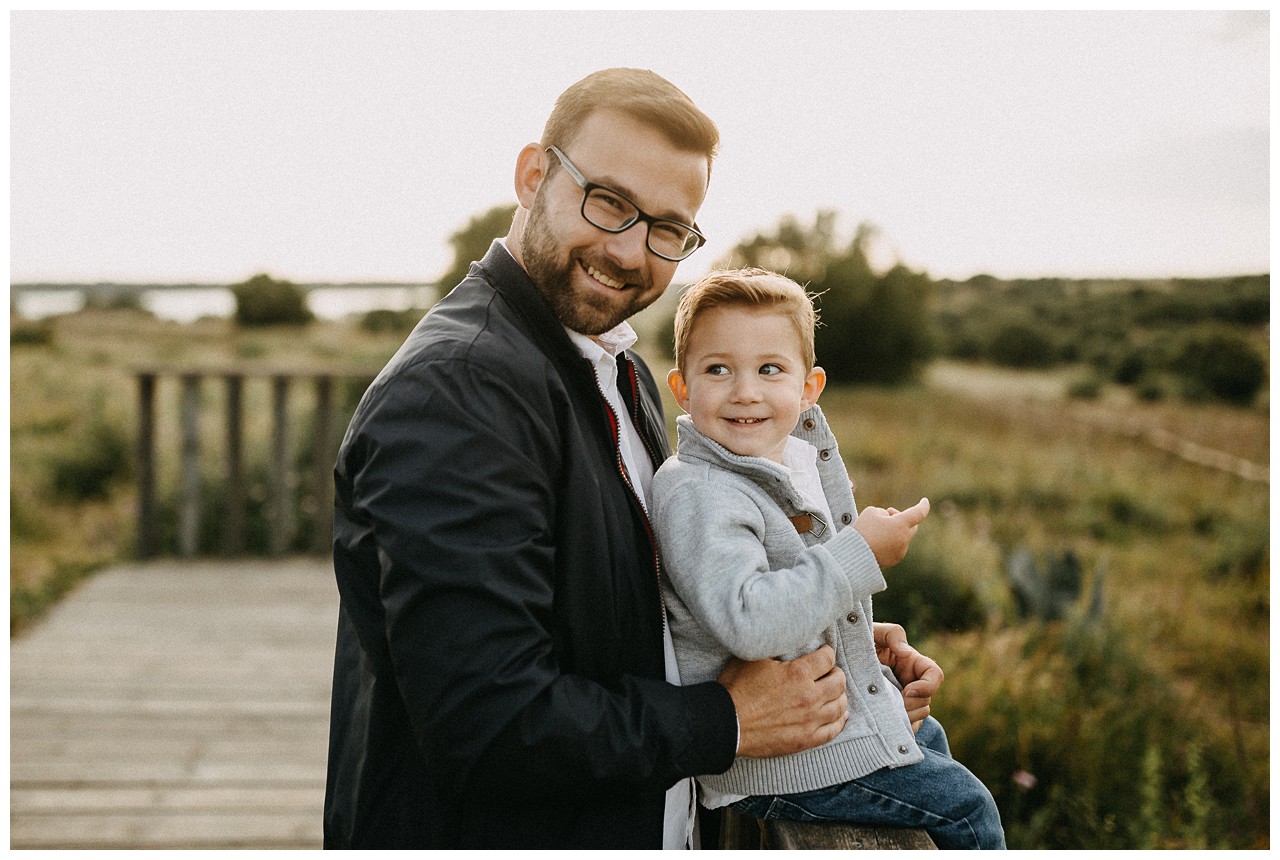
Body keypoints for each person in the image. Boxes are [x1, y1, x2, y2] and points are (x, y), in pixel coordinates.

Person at [323, 68, 943, 850]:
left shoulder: (611, 366)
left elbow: (633, 602)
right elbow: (487, 723)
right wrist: (726, 720)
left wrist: (828, 633)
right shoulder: (459, 393)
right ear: (533, 175)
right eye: (609, 201)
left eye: (667, 229)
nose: (627, 251)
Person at [651, 267, 1005, 849]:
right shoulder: (700, 491)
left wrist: (863, 637)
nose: (746, 390)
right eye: (719, 369)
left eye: (770, 369)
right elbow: (750, 621)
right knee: (968, 810)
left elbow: (796, 587)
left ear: (809, 387)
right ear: (682, 387)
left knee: (928, 735)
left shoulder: (785, 459)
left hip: (819, 724)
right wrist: (858, 554)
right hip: (780, 758)